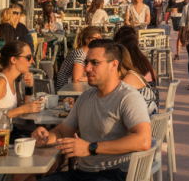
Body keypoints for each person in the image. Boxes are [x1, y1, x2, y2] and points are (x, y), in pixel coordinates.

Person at [32, 40, 153, 181]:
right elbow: (62, 131)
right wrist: (46, 137)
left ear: (114, 64)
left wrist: (91, 147)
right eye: (86, 62)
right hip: (81, 173)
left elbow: (144, 140)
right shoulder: (85, 97)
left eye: (95, 63)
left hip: (115, 174)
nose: (87, 68)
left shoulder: (128, 97)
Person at [0, 41, 43, 140]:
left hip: (4, 134)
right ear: (14, 59)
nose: (32, 61)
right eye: (28, 57)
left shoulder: (11, 81)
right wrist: (22, 109)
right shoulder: (0, 82)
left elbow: (22, 113)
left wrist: (28, 88)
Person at [113, 27, 160, 116]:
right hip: (153, 114)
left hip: (140, 117)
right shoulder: (144, 60)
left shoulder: (126, 64)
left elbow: (116, 91)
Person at [57, 26, 101, 90]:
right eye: (96, 39)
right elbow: (77, 81)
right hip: (66, 92)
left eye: (100, 38)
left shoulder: (84, 53)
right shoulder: (80, 55)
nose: (99, 41)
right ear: (87, 40)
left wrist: (87, 78)